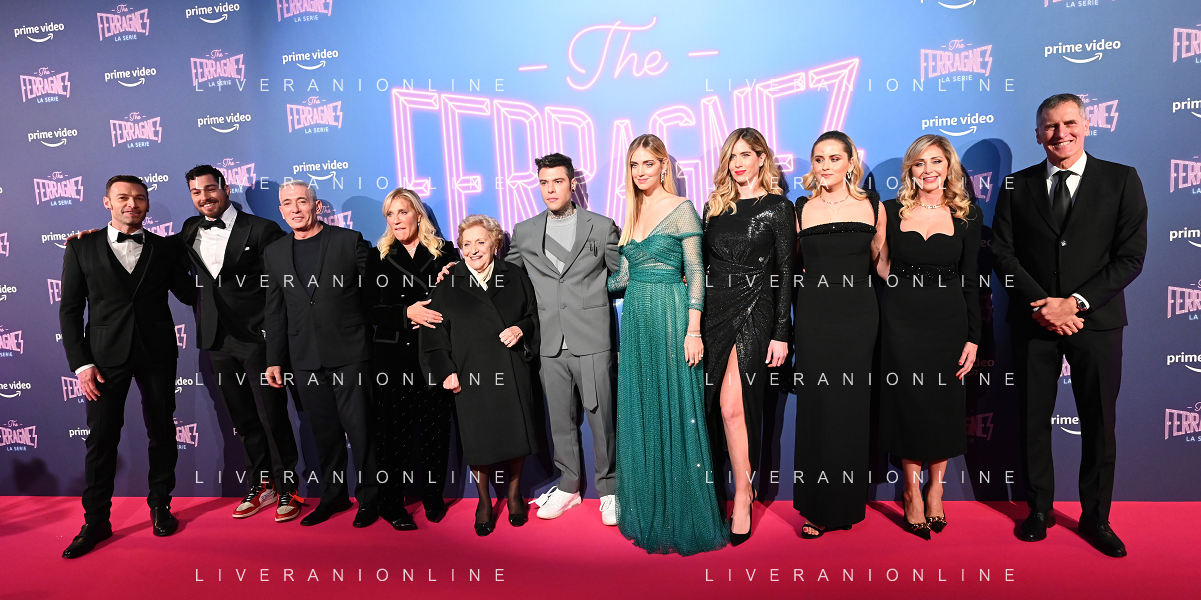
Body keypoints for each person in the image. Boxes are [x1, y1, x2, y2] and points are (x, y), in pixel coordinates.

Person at [992, 93, 1147, 557]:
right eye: (1050, 126)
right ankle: (1038, 510)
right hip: (1034, 320)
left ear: (1086, 125)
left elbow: (1130, 257)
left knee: (1098, 422)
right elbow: (1002, 253)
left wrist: (1074, 304)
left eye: (1069, 123)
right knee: (1032, 421)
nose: (1060, 133)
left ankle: (1096, 518)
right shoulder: (1016, 185)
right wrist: (1044, 306)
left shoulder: (1121, 179)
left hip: (1096, 323)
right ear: (1037, 133)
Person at [59, 176, 194, 558]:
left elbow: (188, 293)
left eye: (139, 198)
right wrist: (81, 364)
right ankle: (96, 521)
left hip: (157, 354)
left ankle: (161, 506)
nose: (131, 203)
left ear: (147, 204)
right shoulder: (81, 246)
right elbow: (70, 310)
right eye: (123, 197)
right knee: (101, 439)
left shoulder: (166, 248)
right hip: (103, 359)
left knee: (162, 432)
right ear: (108, 203)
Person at [607, 133, 728, 555]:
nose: (641, 171)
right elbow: (623, 278)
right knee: (644, 407)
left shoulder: (682, 209)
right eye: (634, 164)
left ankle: (684, 512)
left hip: (671, 315)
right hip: (637, 319)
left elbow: (695, 273)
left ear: (664, 166)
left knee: (676, 407)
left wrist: (693, 330)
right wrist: (577, 282)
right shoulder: (631, 213)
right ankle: (650, 506)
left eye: (648, 163)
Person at [179, 165, 304, 523]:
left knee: (271, 416)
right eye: (196, 192)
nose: (204, 198)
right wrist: (96, 237)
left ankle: (288, 488)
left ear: (225, 188)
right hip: (216, 340)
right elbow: (157, 252)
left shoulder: (262, 229)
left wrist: (272, 335)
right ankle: (261, 485)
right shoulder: (189, 230)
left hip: (257, 339)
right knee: (243, 419)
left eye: (210, 189)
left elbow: (281, 287)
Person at [508, 153, 621, 525]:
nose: (550, 189)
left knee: (602, 420)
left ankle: (610, 490)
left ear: (572, 184)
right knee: (560, 421)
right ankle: (569, 487)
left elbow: (621, 276)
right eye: (544, 182)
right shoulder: (524, 232)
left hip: (592, 339)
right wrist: (459, 273)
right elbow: (508, 280)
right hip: (549, 341)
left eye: (557, 181)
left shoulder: (601, 226)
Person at [878, 136, 982, 540]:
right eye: (919, 163)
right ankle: (910, 490)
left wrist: (973, 337)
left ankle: (935, 489)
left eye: (936, 161)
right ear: (910, 169)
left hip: (948, 322)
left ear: (948, 166)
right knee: (908, 402)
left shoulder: (967, 214)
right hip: (900, 320)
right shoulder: (890, 210)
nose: (928, 170)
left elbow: (970, 281)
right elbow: (882, 264)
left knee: (942, 404)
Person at [263, 180, 380, 528]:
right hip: (304, 357)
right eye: (288, 203)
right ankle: (333, 495)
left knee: (361, 430)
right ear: (281, 211)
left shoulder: (348, 241)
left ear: (316, 206)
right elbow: (275, 310)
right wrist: (274, 359)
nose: (295, 209)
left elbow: (375, 295)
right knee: (323, 432)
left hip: (350, 352)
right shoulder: (274, 252)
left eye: (302, 201)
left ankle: (370, 498)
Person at [701, 128, 795, 546]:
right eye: (732, 156)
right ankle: (724, 490)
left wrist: (781, 332)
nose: (738, 163)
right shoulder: (714, 207)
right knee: (713, 410)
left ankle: (743, 495)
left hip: (756, 310)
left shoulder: (778, 207)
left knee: (733, 409)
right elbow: (700, 265)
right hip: (714, 313)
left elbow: (787, 275)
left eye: (745, 154)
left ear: (761, 158)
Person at [792, 131, 886, 539]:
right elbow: (789, 267)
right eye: (819, 159)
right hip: (814, 318)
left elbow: (882, 265)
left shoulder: (873, 206)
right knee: (818, 409)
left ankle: (846, 504)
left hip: (859, 318)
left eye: (834, 158)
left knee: (850, 409)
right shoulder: (801, 209)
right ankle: (816, 507)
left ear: (851, 162)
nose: (825, 166)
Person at [420, 215, 540, 536]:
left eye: (480, 242)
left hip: (511, 368)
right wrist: (445, 370)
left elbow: (533, 315)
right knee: (478, 439)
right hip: (469, 372)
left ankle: (514, 495)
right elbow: (433, 331)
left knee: (515, 434)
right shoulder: (448, 281)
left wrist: (521, 329)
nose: (473, 250)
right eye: (467, 244)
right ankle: (484, 500)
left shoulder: (514, 275)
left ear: (495, 244)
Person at [364, 188, 458, 530]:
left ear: (418, 214)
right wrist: (406, 313)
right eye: (390, 214)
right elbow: (368, 308)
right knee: (392, 435)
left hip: (434, 354)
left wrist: (452, 280)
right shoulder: (378, 256)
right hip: (393, 357)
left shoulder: (446, 252)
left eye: (402, 212)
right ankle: (391, 503)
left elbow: (460, 301)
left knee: (435, 430)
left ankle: (433, 497)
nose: (396, 220)